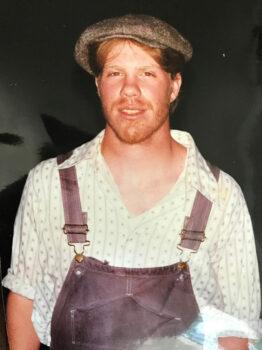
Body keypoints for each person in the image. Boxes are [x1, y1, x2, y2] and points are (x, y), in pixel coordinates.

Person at [2, 14, 261, 350]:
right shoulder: (48, 184)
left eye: (147, 73)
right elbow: (25, 301)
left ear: (174, 85)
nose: (130, 90)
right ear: (98, 85)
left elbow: (237, 328)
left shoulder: (220, 196)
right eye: (115, 73)